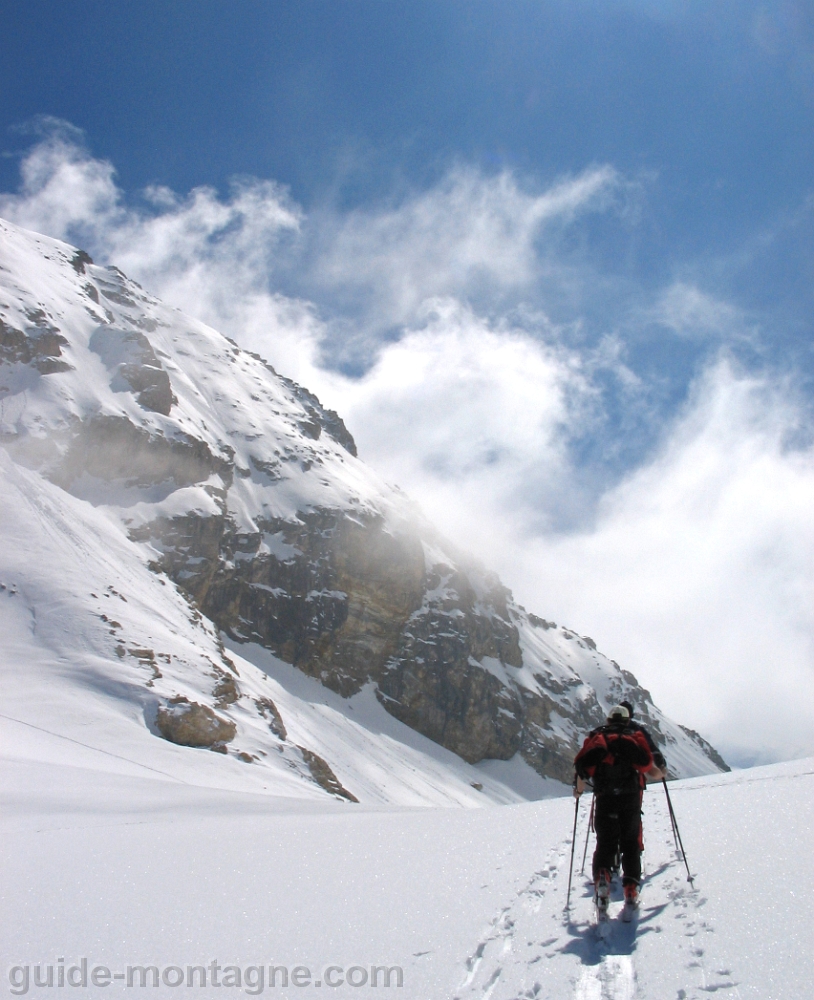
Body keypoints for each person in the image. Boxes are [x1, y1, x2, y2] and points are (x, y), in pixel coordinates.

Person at [573, 704, 666, 912]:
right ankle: (631, 888)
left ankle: (602, 878)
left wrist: (578, 792)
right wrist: (661, 774)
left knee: (605, 843)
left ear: (608, 720)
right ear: (626, 720)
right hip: (630, 798)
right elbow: (650, 769)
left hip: (605, 798)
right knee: (630, 843)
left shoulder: (598, 738)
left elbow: (582, 771)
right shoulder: (633, 738)